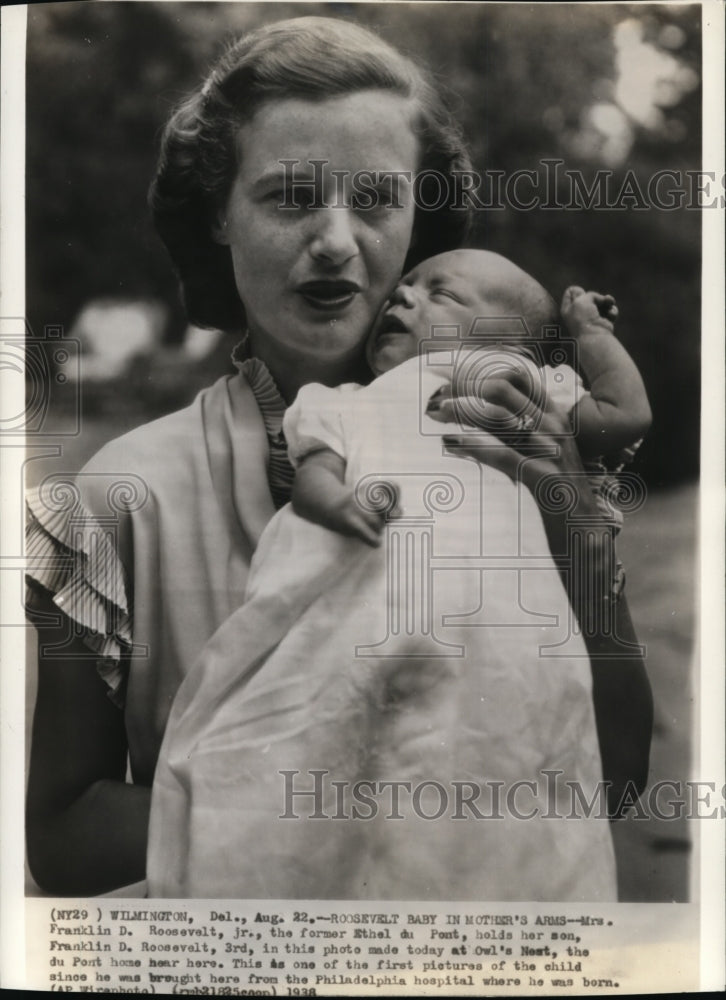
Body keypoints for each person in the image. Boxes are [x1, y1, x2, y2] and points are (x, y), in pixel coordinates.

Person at [24, 16, 651, 898]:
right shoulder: (113, 498)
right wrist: (345, 801)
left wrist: (579, 525)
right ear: (217, 213)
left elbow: (614, 778)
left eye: (376, 200)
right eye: (288, 196)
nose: (335, 239)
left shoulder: (513, 442)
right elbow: (60, 835)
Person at [147, 249, 651, 899]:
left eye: (443, 294)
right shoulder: (347, 403)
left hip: (489, 626)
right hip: (358, 605)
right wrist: (337, 503)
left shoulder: (531, 399)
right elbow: (315, 477)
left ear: (517, 345)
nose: (402, 300)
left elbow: (625, 411)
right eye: (403, 290)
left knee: (510, 743)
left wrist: (589, 333)